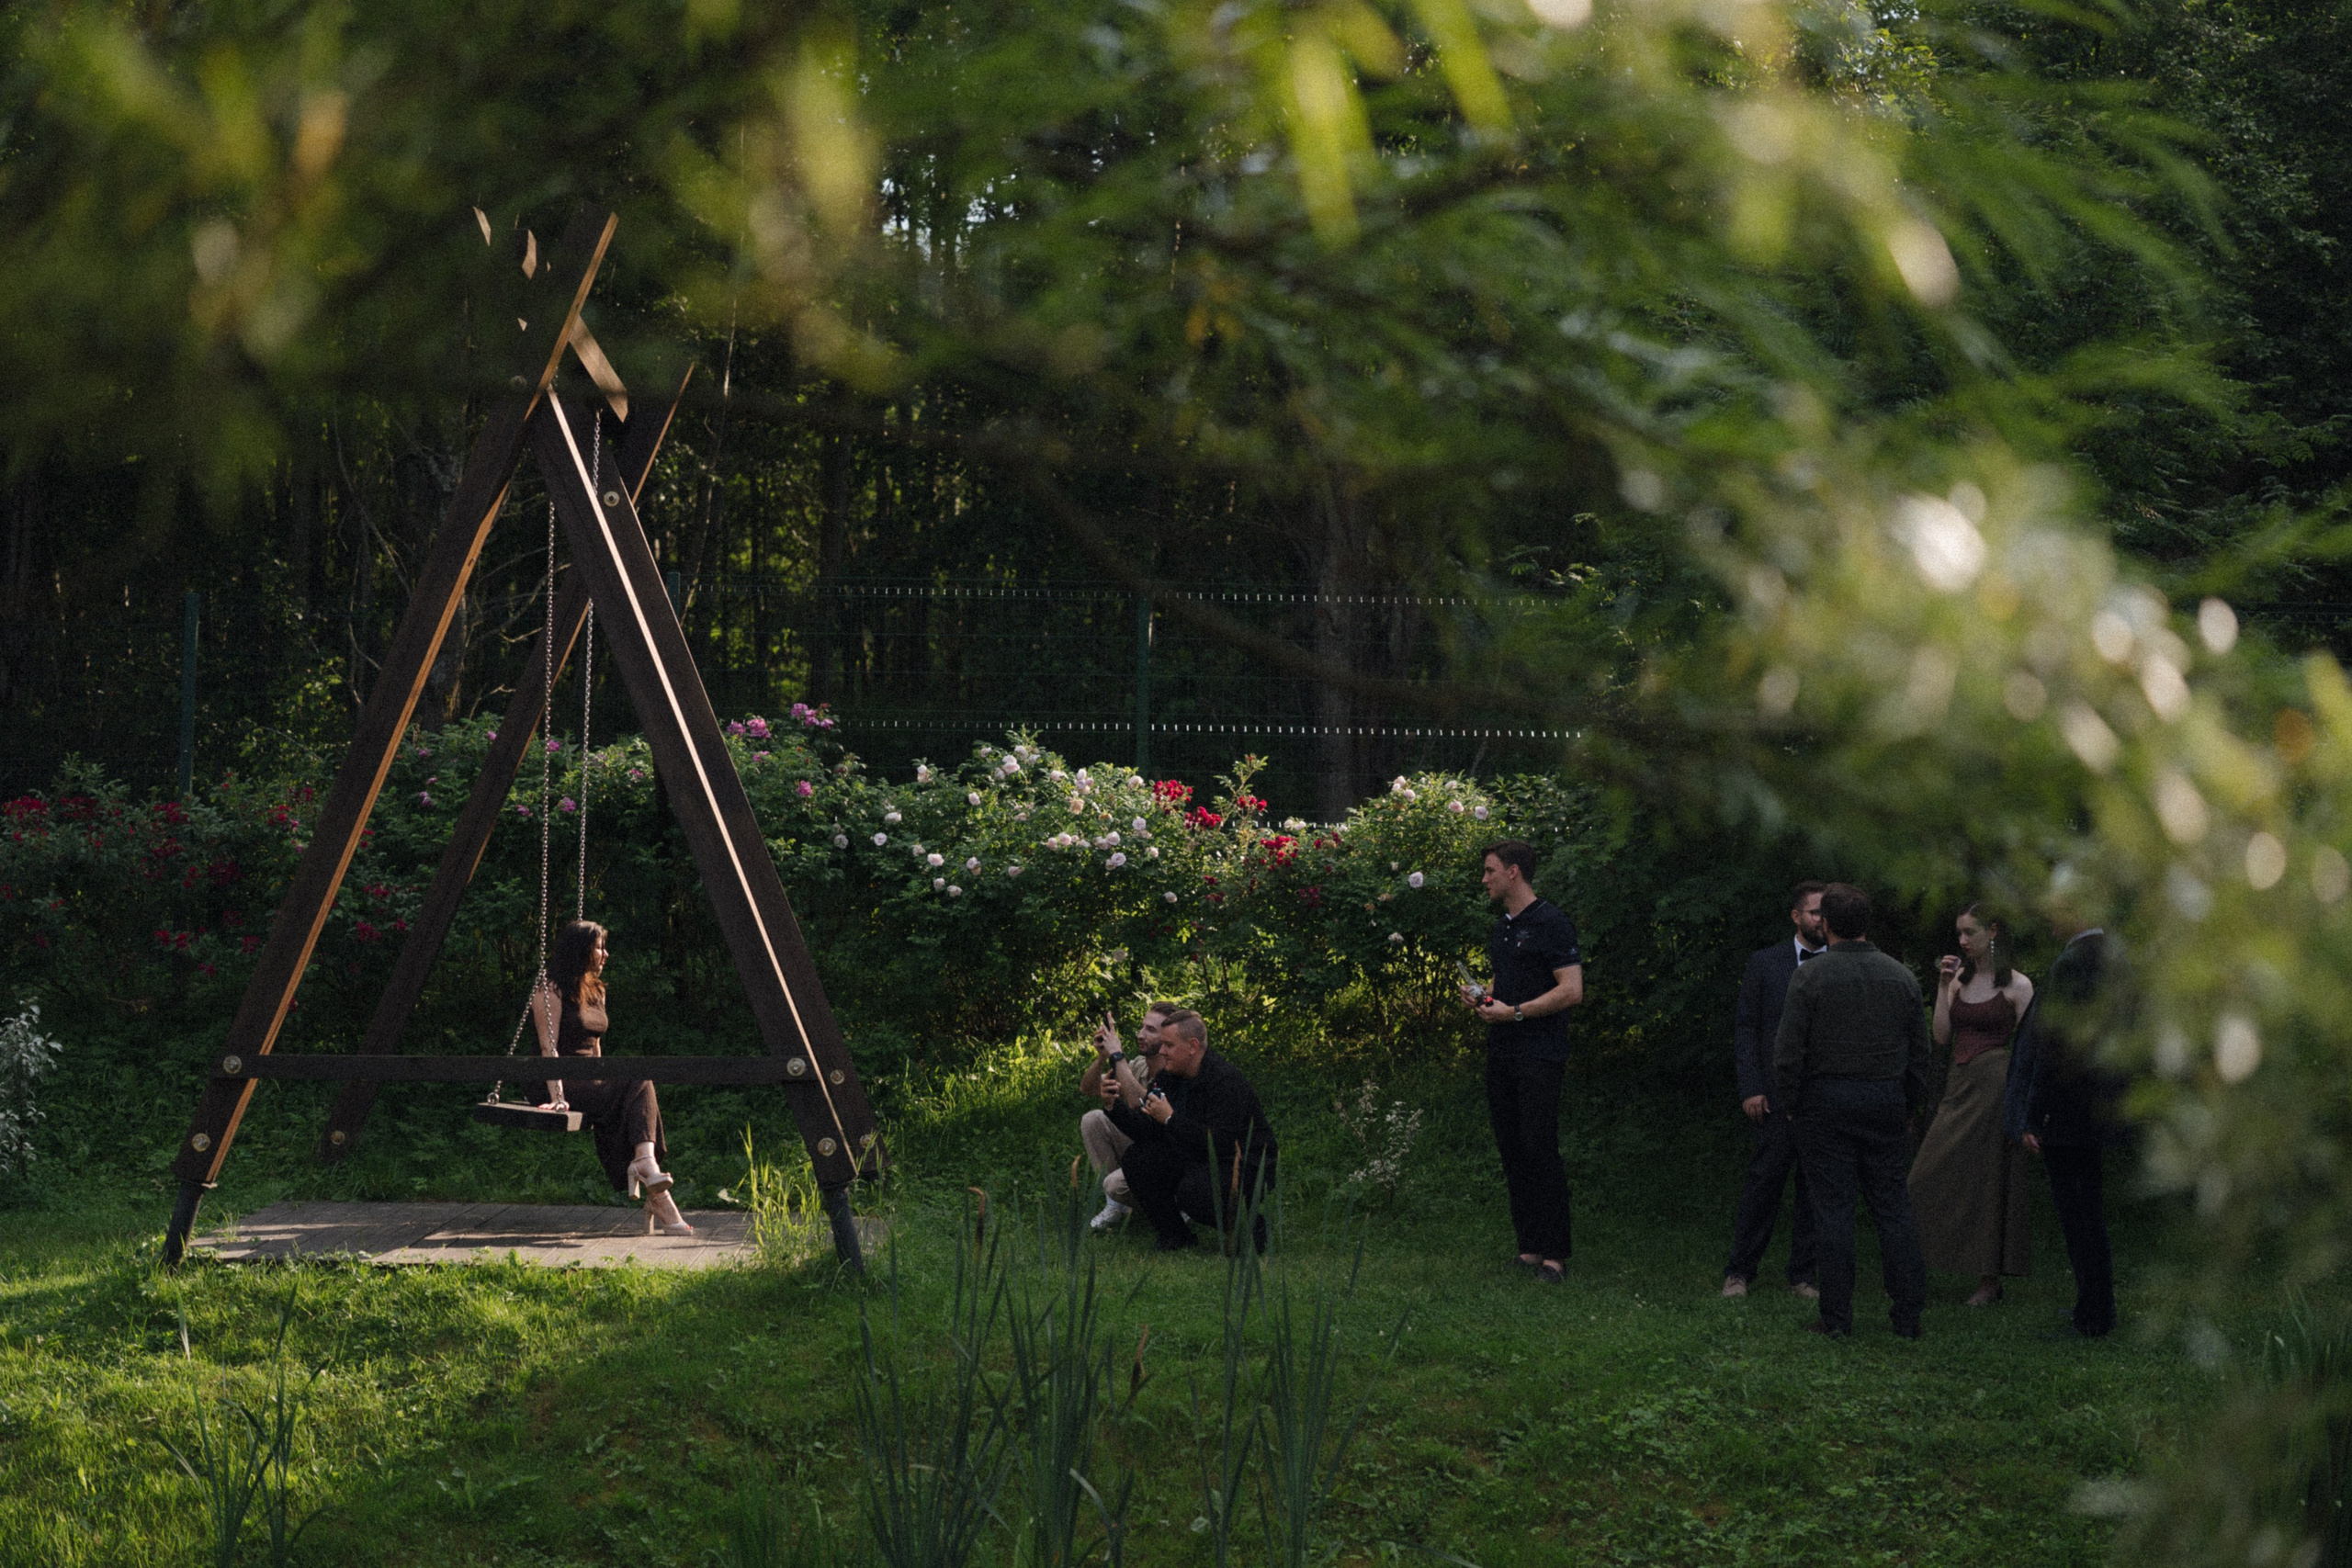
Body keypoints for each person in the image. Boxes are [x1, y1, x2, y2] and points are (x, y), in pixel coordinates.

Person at [1773, 884, 1932, 1338]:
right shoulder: (1901, 977)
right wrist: (1907, 1104)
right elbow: (1920, 1054)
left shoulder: (1811, 977)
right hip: (1885, 1100)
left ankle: (1837, 1318)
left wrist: (1791, 1104)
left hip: (1825, 1103)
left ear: (1825, 923)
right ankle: (1907, 1316)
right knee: (1893, 1208)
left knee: (1833, 1211)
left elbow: (1788, 1052)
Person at [1458, 840, 1584, 1285]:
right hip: (1503, 1054)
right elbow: (1501, 989)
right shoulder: (1503, 928)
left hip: (1540, 1055)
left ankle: (1555, 1256)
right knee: (1512, 1150)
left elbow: (1571, 990)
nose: (1485, 878)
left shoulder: (1551, 922)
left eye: (1490, 870)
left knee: (1539, 1148)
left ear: (1514, 872)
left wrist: (1513, 1012)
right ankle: (1529, 1248)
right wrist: (1483, 999)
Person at [2004, 908, 2125, 1338]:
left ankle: (2094, 1316)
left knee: (2079, 1215)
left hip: (2068, 1111)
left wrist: (2035, 1115)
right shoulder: (2115, 957)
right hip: (2096, 1106)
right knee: (2087, 1212)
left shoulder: (2074, 962)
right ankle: (2093, 1306)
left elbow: (2054, 1046)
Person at [1907, 903, 2034, 1306]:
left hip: (1997, 1086)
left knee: (1989, 1180)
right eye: (1958, 934)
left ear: (1992, 932)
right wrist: (1944, 984)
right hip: (1959, 1086)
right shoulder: (1958, 979)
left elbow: (2031, 1050)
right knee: (1922, 1176)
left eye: (1969, 933)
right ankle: (1918, 1264)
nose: (1961, 941)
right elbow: (1942, 1037)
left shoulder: (2018, 985)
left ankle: (1988, 1281)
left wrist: (2026, 1107)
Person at [529, 919, 691, 1235]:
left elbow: (596, 1048)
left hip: (589, 1080)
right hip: (553, 1081)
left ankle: (651, 1177)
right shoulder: (550, 989)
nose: (606, 955)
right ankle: (648, 1171)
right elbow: (549, 1049)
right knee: (639, 1080)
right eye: (599, 948)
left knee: (634, 1089)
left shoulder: (597, 991)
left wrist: (606, 1084)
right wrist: (558, 1098)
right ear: (581, 951)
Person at [1722, 882, 1826, 1301]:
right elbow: (1746, 1028)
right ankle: (1739, 1272)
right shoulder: (1766, 963)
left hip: (1822, 1098)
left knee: (1814, 1190)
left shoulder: (1839, 963)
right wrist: (1751, 1087)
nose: (1823, 919)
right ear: (1796, 916)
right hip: (1772, 1099)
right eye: (1816, 912)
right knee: (1763, 1187)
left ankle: (1803, 1276)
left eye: (1827, 913)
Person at [1108, 1010, 1277, 1251]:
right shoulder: (1170, 1076)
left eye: (1168, 1045)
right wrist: (1113, 1106)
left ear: (1192, 1046)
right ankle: (1175, 1235)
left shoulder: (1225, 1080)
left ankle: (1252, 1229)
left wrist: (1170, 1119)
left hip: (1245, 1166)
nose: (1162, 1051)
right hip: (1200, 1158)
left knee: (1193, 1191)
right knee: (1139, 1158)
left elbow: (1220, 1142)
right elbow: (1147, 1132)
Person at [1079, 1001, 1178, 1232]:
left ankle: (1174, 1204)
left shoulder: (1175, 1070)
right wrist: (1103, 1057)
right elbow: (1088, 1088)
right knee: (1093, 1119)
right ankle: (1118, 1205)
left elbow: (1138, 1101)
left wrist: (1117, 1055)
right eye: (1142, 1027)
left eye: (1151, 1030)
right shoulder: (1139, 1065)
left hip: (1168, 1156)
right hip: (1141, 1146)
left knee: (1114, 1184)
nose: (1141, 1035)